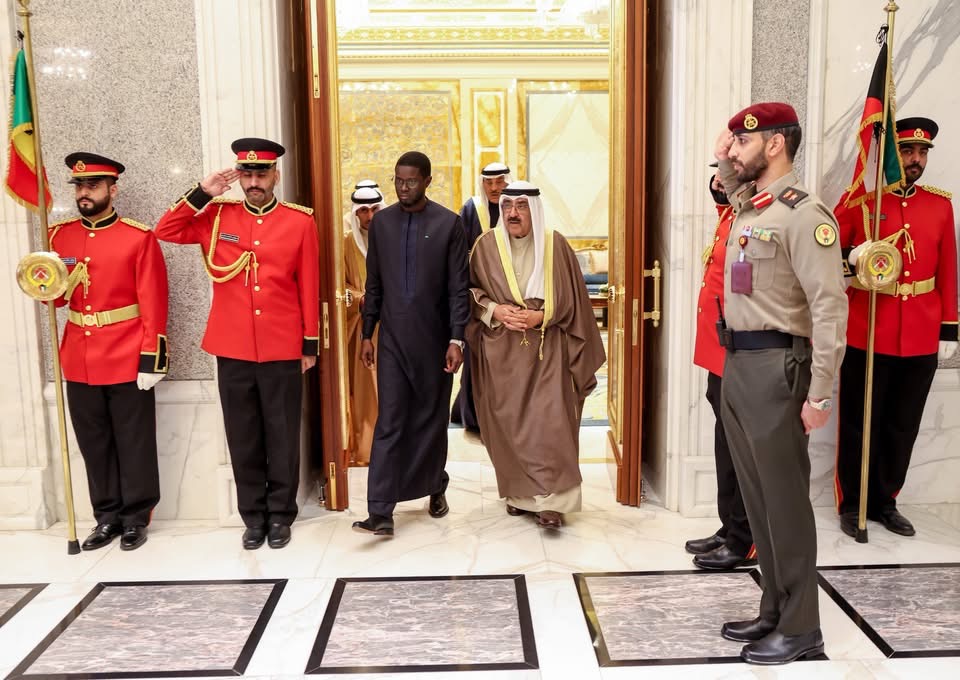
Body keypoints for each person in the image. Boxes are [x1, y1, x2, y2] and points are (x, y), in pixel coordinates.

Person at [715, 103, 847, 664]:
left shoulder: (803, 214)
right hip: (740, 365)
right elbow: (731, 187)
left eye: (743, 142)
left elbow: (829, 307)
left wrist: (820, 392)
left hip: (778, 369)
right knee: (759, 502)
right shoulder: (753, 207)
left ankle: (801, 627)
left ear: (774, 144)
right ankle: (774, 607)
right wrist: (726, 157)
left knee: (785, 504)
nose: (733, 151)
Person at [155, 137, 320, 550]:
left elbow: (308, 284)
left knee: (282, 434)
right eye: (246, 175)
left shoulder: (300, 222)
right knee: (243, 435)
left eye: (261, 174)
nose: (253, 182)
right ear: (238, 177)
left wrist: (309, 345)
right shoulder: (216, 217)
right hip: (232, 346)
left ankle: (280, 514)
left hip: (282, 345)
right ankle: (253, 516)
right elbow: (166, 230)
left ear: (275, 176)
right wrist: (203, 192)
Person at [834, 116, 958, 538]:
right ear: (892, 155)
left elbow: (948, 269)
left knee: (902, 424)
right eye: (907, 151)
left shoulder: (940, 206)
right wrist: (854, 256)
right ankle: (853, 503)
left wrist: (949, 329)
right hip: (868, 328)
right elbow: (827, 255)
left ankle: (885, 501)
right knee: (859, 423)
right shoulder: (862, 202)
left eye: (922, 153)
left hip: (920, 333)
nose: (915, 159)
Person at [466, 181, 604, 529]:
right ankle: (519, 496)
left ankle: (553, 503)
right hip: (501, 351)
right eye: (507, 206)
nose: (512, 213)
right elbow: (467, 293)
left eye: (521, 206)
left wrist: (542, 316)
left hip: (548, 348)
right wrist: (495, 310)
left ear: (535, 210)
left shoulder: (556, 245)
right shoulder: (484, 246)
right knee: (508, 424)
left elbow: (575, 299)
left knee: (551, 423)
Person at [50, 152, 169, 552]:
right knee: (93, 443)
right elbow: (55, 300)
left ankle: (135, 517)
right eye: (79, 186)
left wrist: (152, 356)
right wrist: (41, 281)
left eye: (93, 186)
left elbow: (154, 301)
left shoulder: (138, 237)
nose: (84, 193)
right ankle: (106, 517)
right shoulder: (57, 237)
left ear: (112, 190)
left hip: (126, 354)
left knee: (134, 441)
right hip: (79, 357)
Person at [352, 151, 469, 537]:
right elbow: (374, 285)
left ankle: (435, 487)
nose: (403, 187)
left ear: (427, 181)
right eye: (398, 181)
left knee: (431, 420)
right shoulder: (382, 224)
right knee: (390, 421)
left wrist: (456, 339)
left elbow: (458, 289)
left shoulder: (449, 224)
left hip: (435, 343)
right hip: (392, 343)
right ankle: (380, 511)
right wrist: (367, 333)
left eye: (411, 181)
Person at [685, 164, 756, 569]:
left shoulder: (759, 217)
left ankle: (746, 540)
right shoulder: (734, 213)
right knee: (726, 446)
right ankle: (729, 527)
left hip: (744, 352)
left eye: (728, 171)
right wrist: (720, 191)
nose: (719, 179)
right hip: (720, 351)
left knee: (744, 450)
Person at [452, 161, 512, 433]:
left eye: (499, 181)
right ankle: (474, 415)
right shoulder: (471, 208)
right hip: (477, 292)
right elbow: (461, 250)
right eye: (489, 182)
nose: (494, 188)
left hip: (510, 292)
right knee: (476, 353)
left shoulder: (515, 206)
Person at [344, 186, 386, 465]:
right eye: (363, 210)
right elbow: (338, 289)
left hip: (395, 327)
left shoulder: (395, 238)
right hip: (362, 329)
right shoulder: (345, 244)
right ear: (355, 213)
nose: (370, 216)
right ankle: (367, 449)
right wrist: (361, 299)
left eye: (374, 209)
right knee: (367, 391)